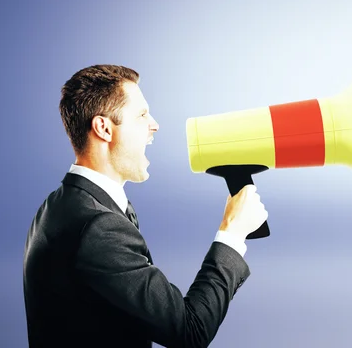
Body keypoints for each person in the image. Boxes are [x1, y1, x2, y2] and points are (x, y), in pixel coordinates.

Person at [22, 65, 268, 347]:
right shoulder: (99, 227)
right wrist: (232, 234)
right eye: (141, 115)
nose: (154, 124)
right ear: (104, 128)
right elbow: (190, 330)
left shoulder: (58, 205)